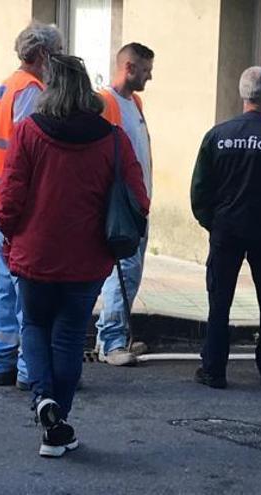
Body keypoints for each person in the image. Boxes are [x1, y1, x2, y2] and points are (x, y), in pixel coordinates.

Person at [0, 54, 150, 457]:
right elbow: (139, 198)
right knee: (67, 336)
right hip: (86, 259)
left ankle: (43, 400)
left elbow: (8, 199)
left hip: (35, 253)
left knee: (34, 326)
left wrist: (9, 237)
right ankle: (56, 421)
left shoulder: (28, 132)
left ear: (51, 88)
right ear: (85, 88)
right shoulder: (113, 138)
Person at [190, 66, 261, 389]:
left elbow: (200, 190)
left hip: (226, 229)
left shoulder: (217, 136)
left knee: (220, 300)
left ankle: (213, 369)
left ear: (243, 96)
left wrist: (211, 222)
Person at [0, 22, 63, 388]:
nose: (58, 62)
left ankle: (1, 362)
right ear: (43, 55)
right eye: (56, 54)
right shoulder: (31, 91)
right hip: (20, 203)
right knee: (25, 287)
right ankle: (29, 369)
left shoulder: (7, 85)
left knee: (6, 284)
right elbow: (33, 150)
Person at [94, 42, 155, 366]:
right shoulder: (105, 103)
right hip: (120, 206)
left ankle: (117, 334)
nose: (149, 77)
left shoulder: (135, 102)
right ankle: (112, 342)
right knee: (122, 271)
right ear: (129, 67)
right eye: (145, 70)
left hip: (136, 203)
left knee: (130, 272)